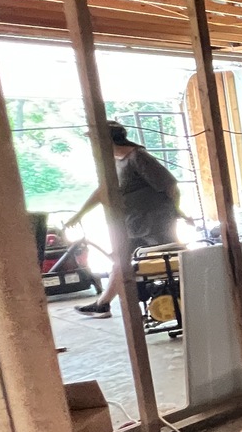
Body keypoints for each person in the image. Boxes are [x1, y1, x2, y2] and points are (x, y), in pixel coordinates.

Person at [69, 121, 182, 317]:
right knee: (121, 261)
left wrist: (176, 211)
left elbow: (170, 185)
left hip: (155, 223)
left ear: (107, 140)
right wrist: (80, 214)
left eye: (94, 140)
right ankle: (103, 304)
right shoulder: (113, 161)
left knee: (174, 262)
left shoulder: (137, 157)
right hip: (134, 224)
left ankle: (190, 297)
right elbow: (103, 190)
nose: (92, 145)